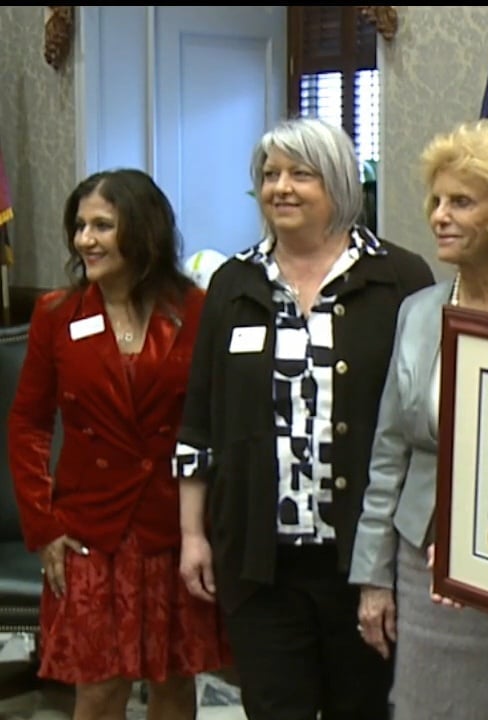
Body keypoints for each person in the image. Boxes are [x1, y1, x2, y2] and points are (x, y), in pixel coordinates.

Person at [172, 118, 435, 720]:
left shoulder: (399, 279)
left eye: (300, 174)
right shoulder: (233, 283)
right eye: (269, 175)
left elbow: (421, 427)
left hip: (365, 563)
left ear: (339, 184)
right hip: (259, 563)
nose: (280, 188)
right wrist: (193, 534)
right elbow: (199, 420)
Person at [348, 119, 488, 719]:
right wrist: (373, 578)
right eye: (436, 200)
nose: (439, 215)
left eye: (461, 201)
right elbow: (389, 454)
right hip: (419, 560)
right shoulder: (419, 311)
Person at [8, 168, 228, 719]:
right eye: (80, 226)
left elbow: (216, 420)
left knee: (175, 683)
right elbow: (28, 424)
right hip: (89, 532)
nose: (85, 239)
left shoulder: (197, 310)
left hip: (174, 526)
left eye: (102, 225)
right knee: (100, 688)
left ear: (143, 230)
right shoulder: (56, 314)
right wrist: (45, 524)